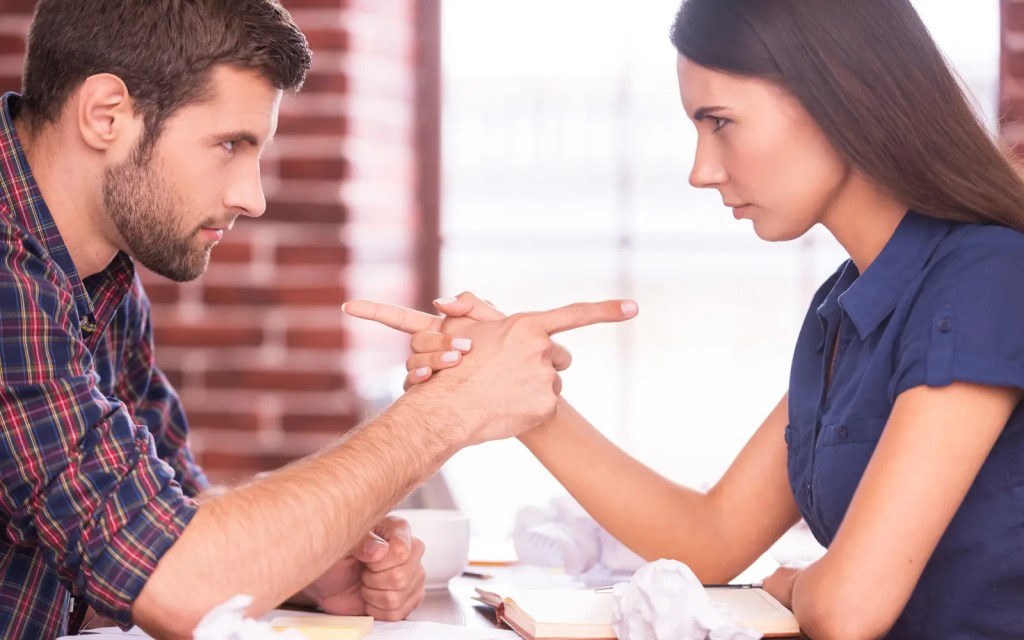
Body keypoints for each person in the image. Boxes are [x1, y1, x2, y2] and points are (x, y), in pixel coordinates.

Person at [343, 0, 1024, 637]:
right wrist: (529, 402)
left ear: (839, 93)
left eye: (719, 121)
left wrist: (793, 586)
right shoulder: (841, 308)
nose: (701, 170)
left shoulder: (987, 274)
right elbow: (711, 540)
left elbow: (850, 607)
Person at [0, 1, 638, 638]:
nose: (251, 196)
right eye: (229, 144)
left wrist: (298, 564)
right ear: (105, 114)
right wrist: (452, 409)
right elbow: (176, 582)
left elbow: (147, 531)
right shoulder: (9, 270)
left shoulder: (98, 276)